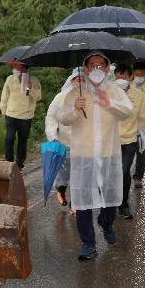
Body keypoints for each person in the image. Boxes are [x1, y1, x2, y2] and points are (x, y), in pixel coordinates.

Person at [57, 52, 133, 260]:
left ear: (108, 68)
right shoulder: (76, 92)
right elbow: (62, 118)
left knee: (109, 200)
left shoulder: (115, 90)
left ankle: (106, 224)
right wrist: (74, 108)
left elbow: (127, 112)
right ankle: (88, 244)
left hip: (108, 154)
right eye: (92, 65)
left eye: (101, 65)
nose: (97, 69)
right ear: (86, 68)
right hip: (84, 156)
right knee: (82, 201)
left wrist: (109, 103)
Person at [45, 69, 84, 207]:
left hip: (83, 145)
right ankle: (60, 188)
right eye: (78, 80)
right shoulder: (60, 97)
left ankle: (76, 204)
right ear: (71, 81)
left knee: (79, 176)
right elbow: (51, 117)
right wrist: (53, 137)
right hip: (64, 142)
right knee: (64, 173)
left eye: (83, 80)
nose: (80, 83)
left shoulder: (90, 98)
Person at [114, 64, 145, 219]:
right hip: (111, 140)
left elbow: (141, 117)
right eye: (117, 77)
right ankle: (110, 202)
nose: (120, 80)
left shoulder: (138, 95)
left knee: (124, 170)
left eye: (124, 77)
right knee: (112, 173)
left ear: (130, 77)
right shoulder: (109, 93)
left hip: (129, 140)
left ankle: (123, 204)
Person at [0, 61, 41, 172]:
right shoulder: (10, 79)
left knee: (22, 142)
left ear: (23, 66)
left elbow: (38, 97)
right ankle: (9, 163)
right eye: (13, 65)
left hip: (26, 117)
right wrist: (3, 110)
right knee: (9, 138)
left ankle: (19, 165)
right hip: (11, 114)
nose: (13, 66)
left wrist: (30, 88)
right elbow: (4, 95)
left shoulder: (34, 80)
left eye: (16, 64)